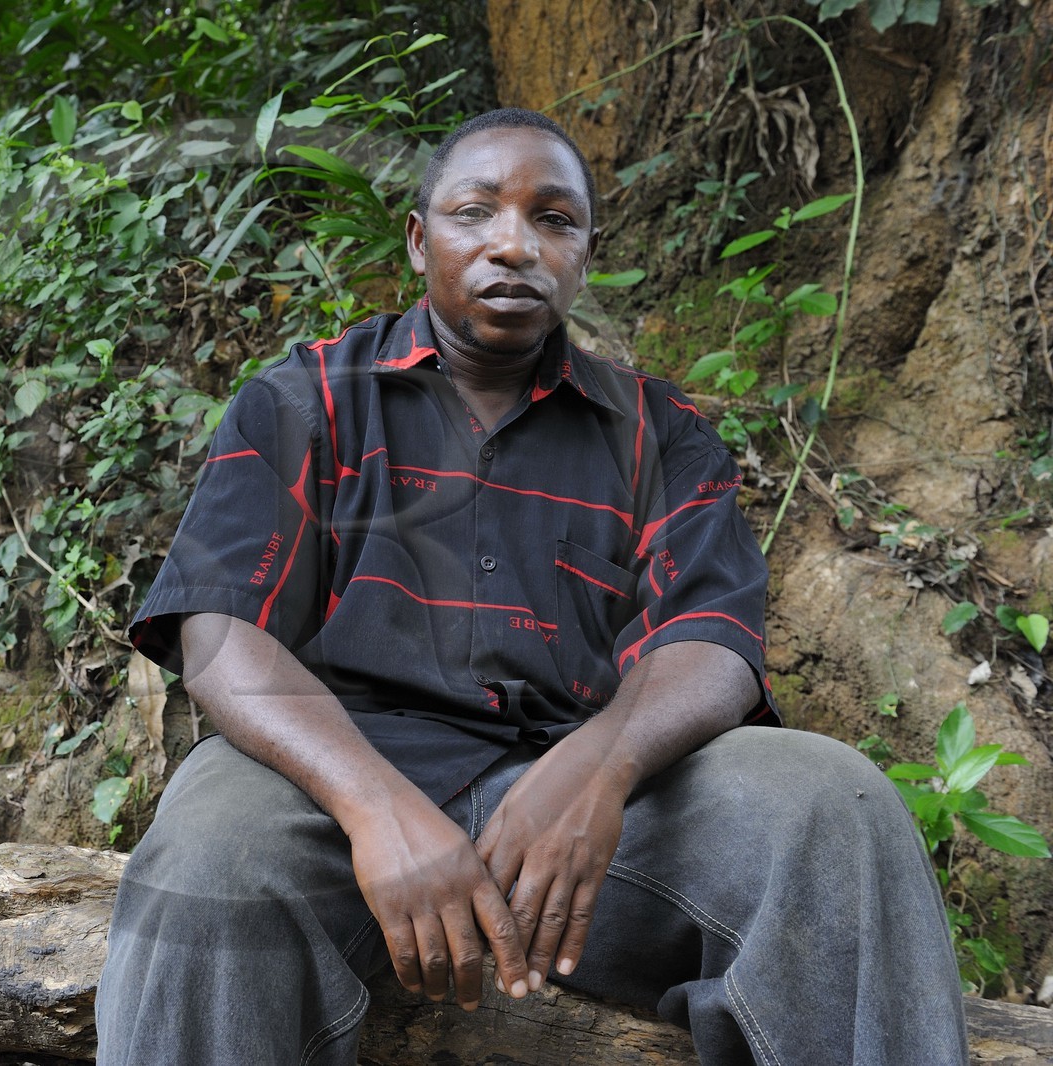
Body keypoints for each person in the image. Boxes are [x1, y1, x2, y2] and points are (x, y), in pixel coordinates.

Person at [95, 108, 967, 1066]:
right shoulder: (302, 401)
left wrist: (600, 767)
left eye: (553, 219)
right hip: (329, 796)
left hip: (599, 822)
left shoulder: (659, 434)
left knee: (833, 802)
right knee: (209, 851)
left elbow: (711, 641)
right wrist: (378, 810)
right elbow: (224, 637)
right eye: (477, 212)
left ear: (585, 253)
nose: (513, 243)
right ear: (422, 239)